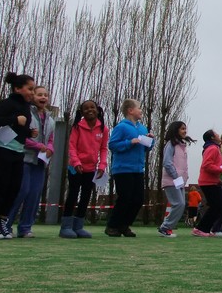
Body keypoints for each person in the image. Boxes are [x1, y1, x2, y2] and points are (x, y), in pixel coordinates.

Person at [0, 72, 34, 239]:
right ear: (17, 89)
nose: (32, 93)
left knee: (14, 187)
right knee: (1, 186)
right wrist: (14, 119)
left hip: (17, 151)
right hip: (1, 150)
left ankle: (3, 220)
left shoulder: (27, 107)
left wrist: (29, 132)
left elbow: (19, 129)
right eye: (29, 89)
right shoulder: (8, 103)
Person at [8, 84, 55, 239]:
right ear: (32, 96)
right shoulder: (26, 113)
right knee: (21, 191)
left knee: (34, 194)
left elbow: (51, 139)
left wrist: (50, 148)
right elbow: (19, 135)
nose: (43, 98)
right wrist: (37, 146)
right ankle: (5, 224)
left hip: (40, 162)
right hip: (25, 158)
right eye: (39, 94)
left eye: (45, 95)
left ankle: (25, 227)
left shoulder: (50, 120)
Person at [106, 98, 154, 237]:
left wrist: (150, 140)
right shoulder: (121, 127)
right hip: (123, 169)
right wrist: (129, 142)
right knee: (125, 197)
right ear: (130, 110)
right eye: (139, 108)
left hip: (138, 169)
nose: (141, 111)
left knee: (138, 199)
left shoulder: (142, 128)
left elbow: (146, 148)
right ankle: (112, 225)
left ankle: (124, 225)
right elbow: (112, 145)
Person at [61, 99, 108, 239]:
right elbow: (72, 147)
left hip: (91, 169)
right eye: (86, 108)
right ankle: (66, 227)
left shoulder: (103, 129)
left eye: (92, 107)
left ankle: (78, 226)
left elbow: (104, 148)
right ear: (81, 112)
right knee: (73, 194)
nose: (90, 110)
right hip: (75, 168)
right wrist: (76, 162)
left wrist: (102, 165)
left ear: (97, 110)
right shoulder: (77, 127)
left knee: (86, 196)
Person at [158, 121, 194, 238]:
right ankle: (165, 227)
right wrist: (176, 176)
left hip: (180, 181)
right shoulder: (171, 145)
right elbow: (167, 162)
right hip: (172, 180)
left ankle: (167, 227)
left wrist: (185, 177)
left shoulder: (182, 146)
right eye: (182, 129)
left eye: (185, 129)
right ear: (175, 130)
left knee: (181, 204)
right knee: (178, 203)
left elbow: (183, 165)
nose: (185, 131)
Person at [193, 130, 222, 237]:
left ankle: (204, 228)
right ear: (212, 137)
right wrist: (221, 170)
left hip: (212, 181)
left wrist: (218, 178)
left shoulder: (215, 148)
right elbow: (207, 165)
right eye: (216, 134)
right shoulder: (212, 148)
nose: (219, 135)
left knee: (218, 206)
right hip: (208, 182)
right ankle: (200, 228)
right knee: (217, 206)